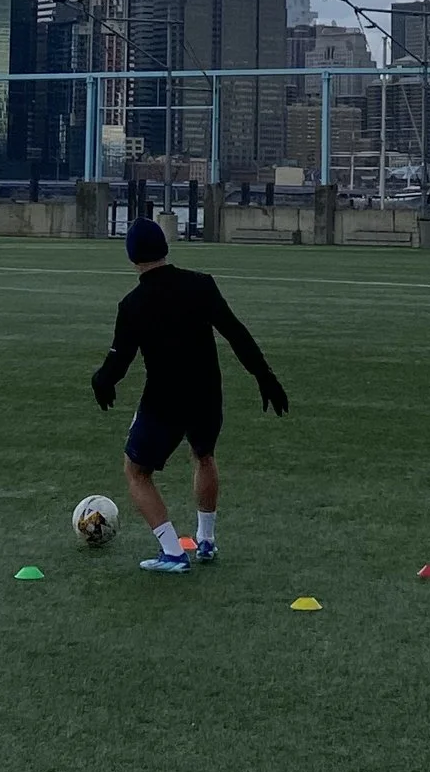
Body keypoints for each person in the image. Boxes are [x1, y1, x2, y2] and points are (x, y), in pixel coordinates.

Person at [92, 214, 287, 572]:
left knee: (136, 471)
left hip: (165, 398)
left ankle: (172, 550)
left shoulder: (133, 305)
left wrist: (102, 381)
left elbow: (118, 362)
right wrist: (265, 376)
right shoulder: (201, 285)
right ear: (165, 248)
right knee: (204, 455)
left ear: (132, 257)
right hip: (207, 392)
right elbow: (236, 333)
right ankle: (206, 540)